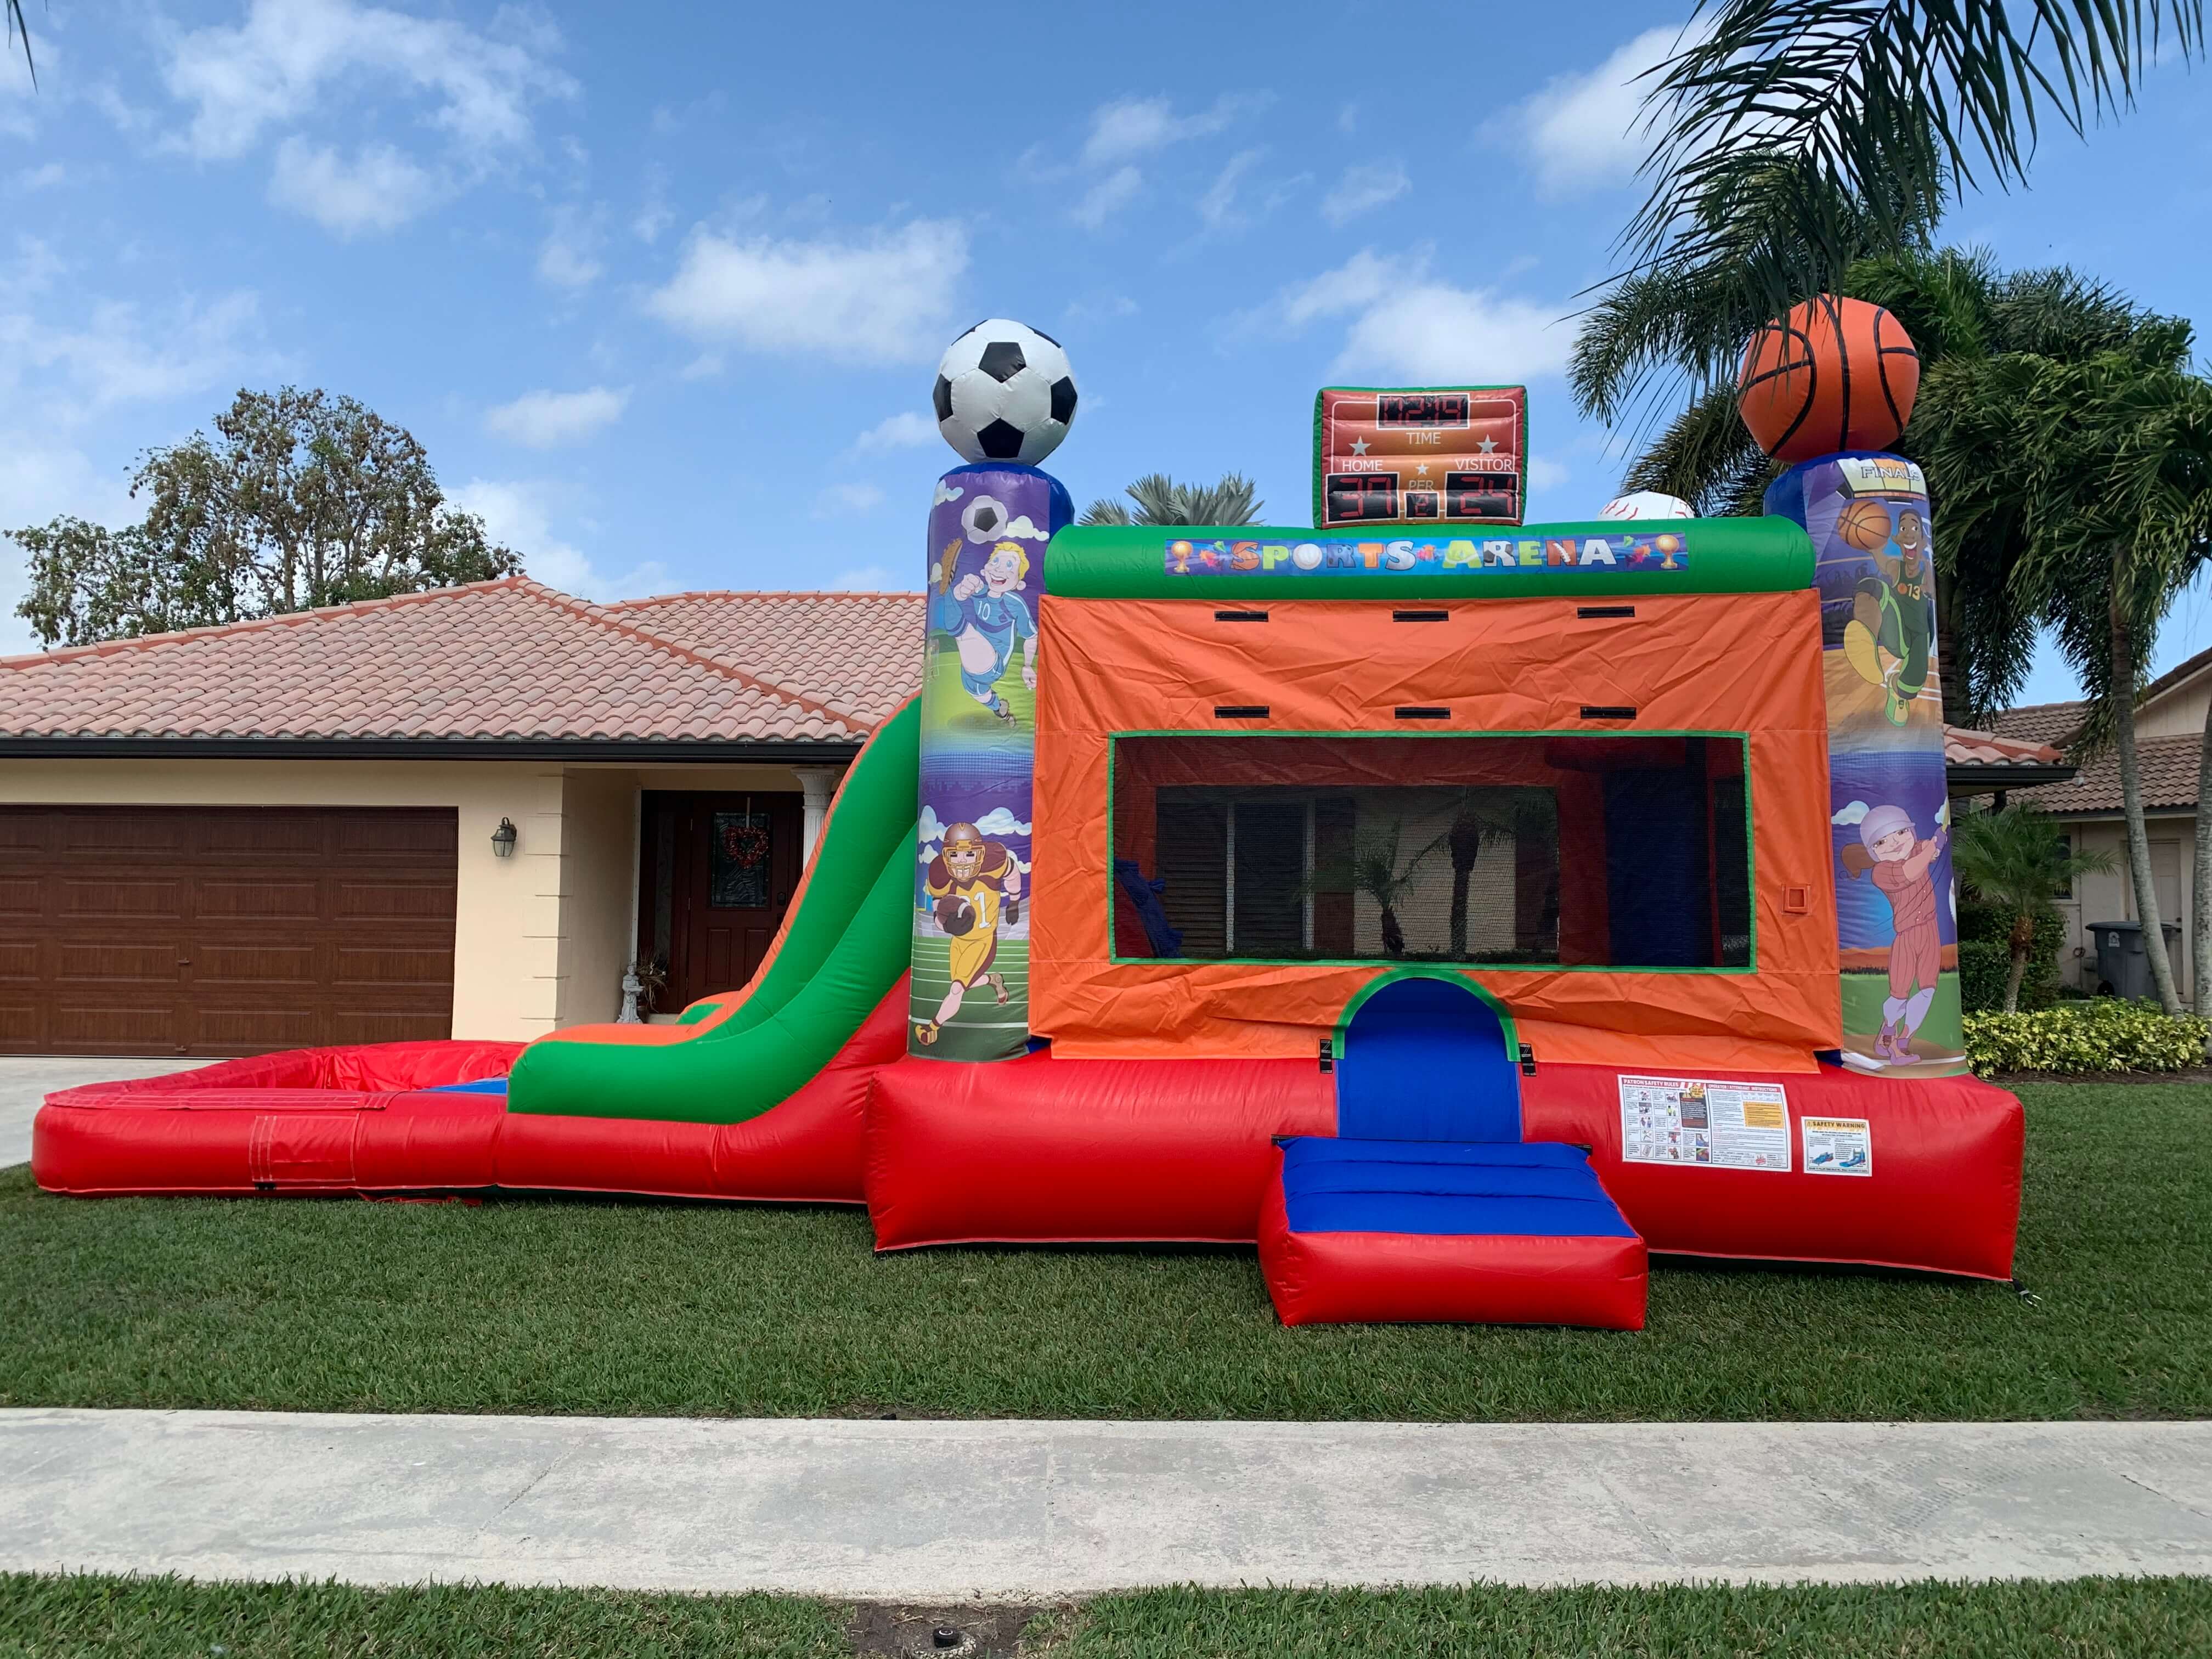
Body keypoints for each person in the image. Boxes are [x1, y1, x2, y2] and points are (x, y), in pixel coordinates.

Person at [1838, 803, 1948, 1063]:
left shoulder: (1918, 849)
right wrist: (1932, 848)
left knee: (1928, 990)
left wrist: (1937, 842)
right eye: (1882, 842)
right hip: (1907, 937)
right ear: (1873, 851)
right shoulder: (1882, 872)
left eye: (1901, 833)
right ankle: (1889, 1031)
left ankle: (1903, 1041)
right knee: (1899, 993)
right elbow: (1911, 872)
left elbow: (1928, 852)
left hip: (1931, 932)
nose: (1895, 843)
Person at [913, 821, 1020, 1046]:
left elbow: (1012, 873)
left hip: (983, 940)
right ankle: (994, 980)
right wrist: (946, 925)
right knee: (964, 982)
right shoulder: (941, 875)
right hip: (959, 941)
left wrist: (1014, 902)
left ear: (980, 854)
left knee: (957, 988)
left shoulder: (994, 865)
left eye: (969, 854)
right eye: (955, 855)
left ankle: (932, 1028)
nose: (962, 862)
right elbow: (938, 909)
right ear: (946, 856)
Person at [930, 540, 1037, 723]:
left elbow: (1032, 636)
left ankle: (945, 588)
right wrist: (962, 590)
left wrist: (1027, 666)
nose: (999, 569)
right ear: (985, 569)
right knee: (975, 690)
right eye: (995, 562)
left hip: (994, 664)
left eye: (1009, 565)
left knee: (961, 630)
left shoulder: (1014, 603)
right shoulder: (982, 591)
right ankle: (1000, 709)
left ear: (1019, 584)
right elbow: (965, 593)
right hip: (973, 664)